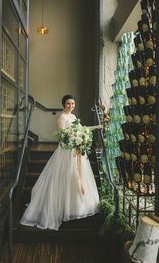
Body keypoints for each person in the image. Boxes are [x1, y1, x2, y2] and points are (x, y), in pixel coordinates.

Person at [20, 94, 102, 230]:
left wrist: (94, 128)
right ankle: (62, 207)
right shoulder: (62, 118)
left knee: (76, 178)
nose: (71, 106)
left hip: (76, 151)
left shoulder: (74, 117)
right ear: (64, 104)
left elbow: (81, 129)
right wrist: (73, 139)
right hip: (66, 152)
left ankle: (76, 208)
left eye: (73, 103)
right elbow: (61, 136)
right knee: (66, 177)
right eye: (68, 103)